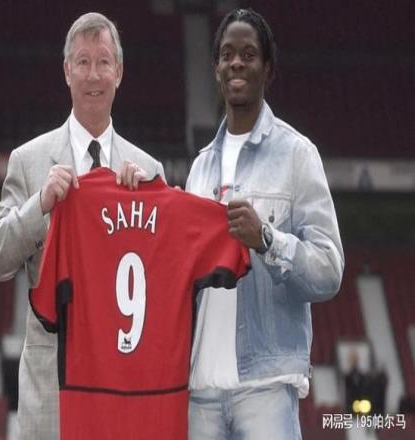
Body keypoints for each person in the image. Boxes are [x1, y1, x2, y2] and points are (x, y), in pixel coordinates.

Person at [0, 12, 164, 440]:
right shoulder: (28, 161)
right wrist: (40, 204)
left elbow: (163, 284)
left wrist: (145, 211)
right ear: (66, 71)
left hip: (122, 387)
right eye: (82, 62)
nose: (93, 75)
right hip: (51, 396)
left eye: (103, 62)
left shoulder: (148, 171)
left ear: (119, 72)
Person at [185, 8, 344, 439]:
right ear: (216, 69)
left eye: (249, 54)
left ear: (267, 69)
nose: (236, 63)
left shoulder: (297, 155)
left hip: (266, 389)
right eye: (227, 55)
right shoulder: (200, 168)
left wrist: (268, 240)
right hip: (199, 390)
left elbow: (329, 269)